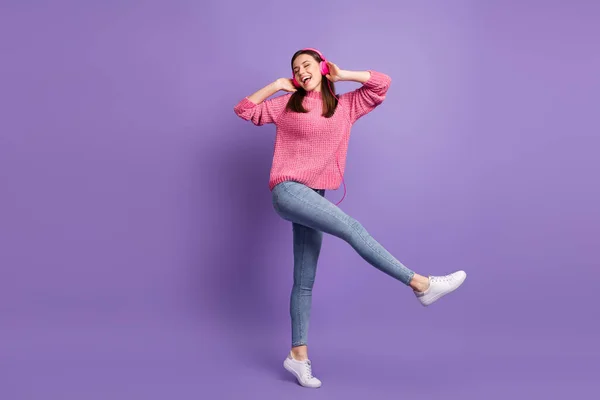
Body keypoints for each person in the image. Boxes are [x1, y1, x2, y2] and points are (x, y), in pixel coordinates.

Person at [233, 48, 466, 388]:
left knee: (304, 279)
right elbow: (244, 109)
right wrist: (277, 84)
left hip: (315, 196)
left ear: (322, 67)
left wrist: (342, 76)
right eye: (296, 69)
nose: (300, 71)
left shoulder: (346, 106)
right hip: (288, 190)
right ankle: (421, 284)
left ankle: (297, 356)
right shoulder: (287, 105)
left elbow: (381, 84)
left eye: (307, 65)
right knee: (352, 228)